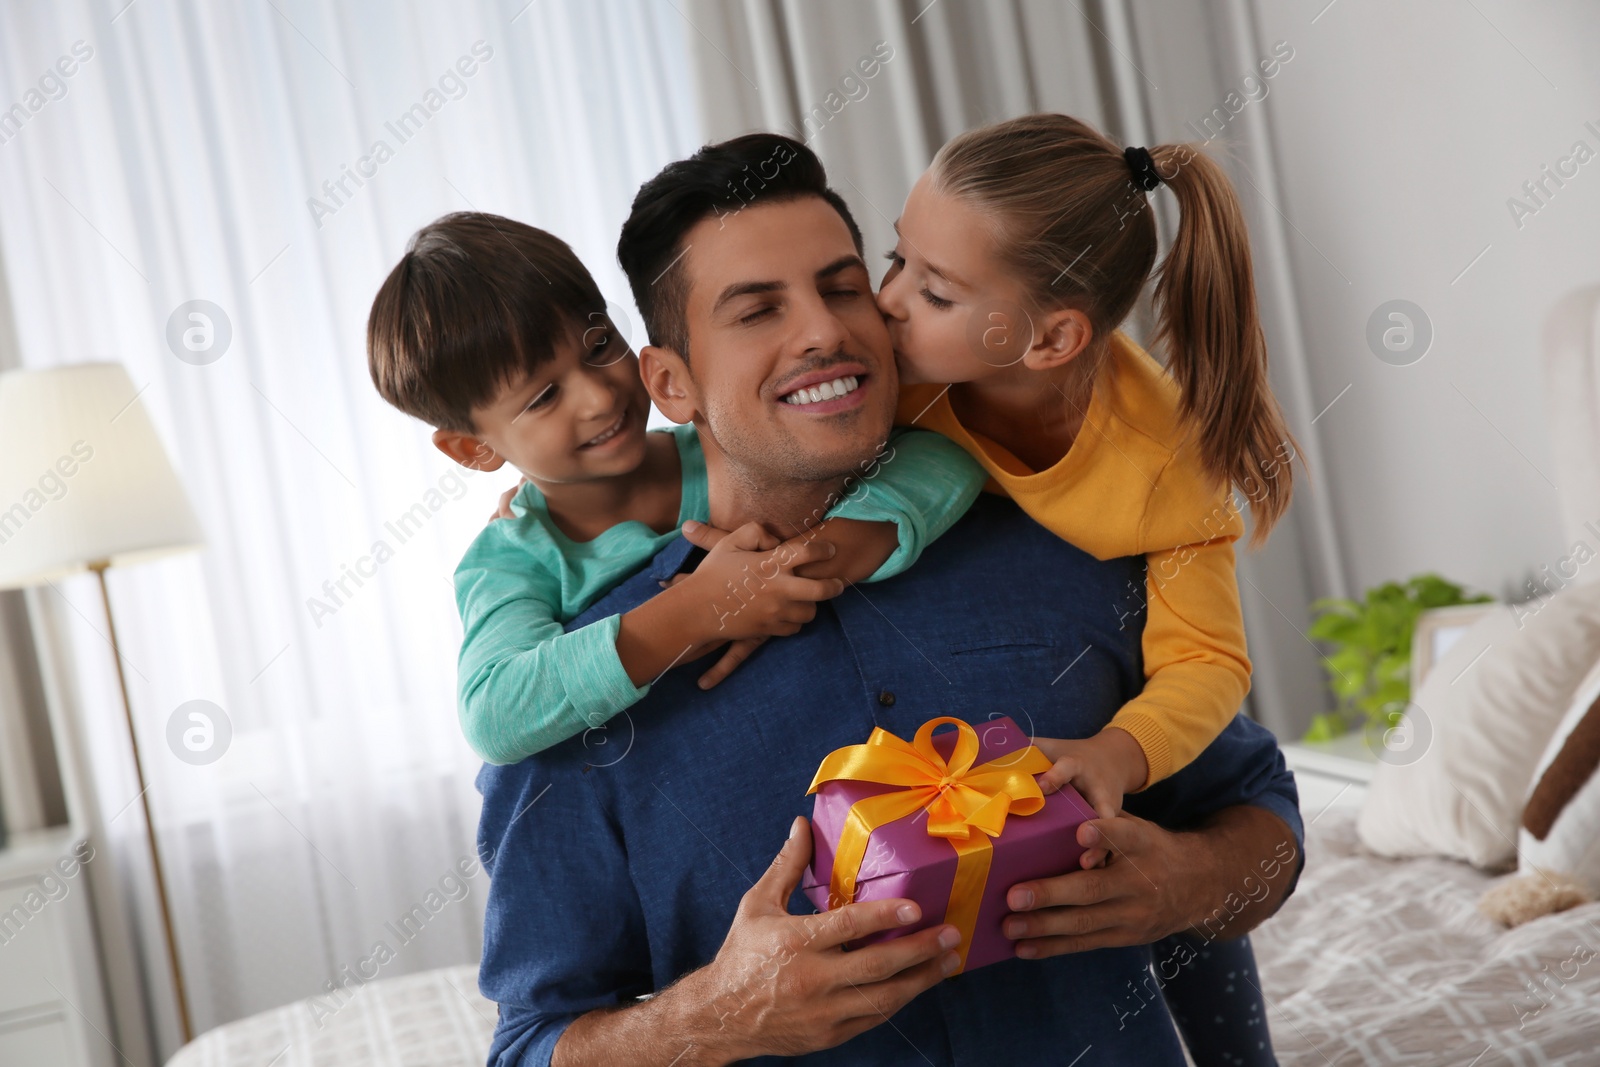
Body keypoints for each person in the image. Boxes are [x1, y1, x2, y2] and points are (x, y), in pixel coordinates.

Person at [473, 132, 1304, 1066]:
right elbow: (530, 1046)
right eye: (757, 310)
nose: (826, 330)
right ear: (669, 382)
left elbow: (1264, 826)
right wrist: (716, 1015)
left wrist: (1184, 885)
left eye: (842, 285)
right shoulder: (588, 686)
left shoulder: (1079, 553)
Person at [367, 213, 985, 765]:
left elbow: (944, 459)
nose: (600, 395)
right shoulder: (513, 558)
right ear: (473, 448)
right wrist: (698, 612)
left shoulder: (725, 441)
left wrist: (807, 562)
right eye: (544, 396)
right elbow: (496, 715)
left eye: (600, 347)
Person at [879, 113, 1300, 824]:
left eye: (936, 293)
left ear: (1051, 339)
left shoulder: (1164, 468)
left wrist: (1118, 750)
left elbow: (1207, 659)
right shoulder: (894, 366)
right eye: (895, 257)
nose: (886, 299)